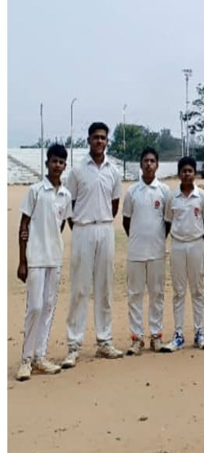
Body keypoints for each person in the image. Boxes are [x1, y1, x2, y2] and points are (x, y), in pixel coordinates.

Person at [62, 122, 125, 368]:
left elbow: (114, 204)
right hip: (82, 229)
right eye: (95, 137)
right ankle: (74, 344)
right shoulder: (77, 171)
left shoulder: (114, 171)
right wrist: (81, 227)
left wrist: (102, 221)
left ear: (107, 141)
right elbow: (69, 206)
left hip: (105, 229)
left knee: (105, 287)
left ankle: (105, 341)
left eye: (103, 138)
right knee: (80, 288)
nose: (99, 141)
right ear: (88, 140)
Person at [17, 143, 71, 380]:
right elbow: (24, 225)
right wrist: (22, 261)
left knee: (48, 306)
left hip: (54, 258)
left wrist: (53, 244)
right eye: (54, 161)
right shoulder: (35, 190)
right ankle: (25, 359)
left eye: (61, 162)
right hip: (36, 258)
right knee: (35, 307)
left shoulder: (66, 195)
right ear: (47, 163)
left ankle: (40, 357)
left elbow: (61, 224)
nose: (57, 165)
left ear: (65, 165)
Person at [122, 147, 172, 355]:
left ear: (157, 165)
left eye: (152, 161)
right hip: (136, 252)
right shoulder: (132, 192)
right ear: (141, 165)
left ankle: (156, 336)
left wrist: (157, 239)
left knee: (157, 294)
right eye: (146, 161)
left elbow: (167, 222)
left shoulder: (165, 191)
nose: (149, 164)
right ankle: (137, 338)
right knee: (135, 294)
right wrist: (139, 239)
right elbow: (126, 221)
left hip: (157, 252)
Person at [162, 156, 204, 352]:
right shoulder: (172, 197)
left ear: (195, 173)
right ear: (179, 174)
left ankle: (199, 332)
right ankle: (178, 334)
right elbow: (168, 221)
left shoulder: (202, 196)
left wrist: (198, 238)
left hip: (196, 244)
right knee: (179, 291)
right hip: (177, 246)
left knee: (197, 289)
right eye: (183, 171)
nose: (187, 174)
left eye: (190, 171)